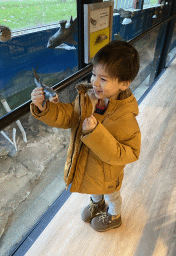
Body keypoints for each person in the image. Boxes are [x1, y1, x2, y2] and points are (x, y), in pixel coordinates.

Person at [30, 40, 141, 232]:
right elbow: (70, 117)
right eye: (94, 74)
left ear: (124, 83)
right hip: (87, 165)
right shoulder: (88, 97)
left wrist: (95, 133)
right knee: (93, 188)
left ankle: (114, 215)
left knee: (111, 194)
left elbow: (130, 153)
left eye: (103, 79)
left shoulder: (125, 118)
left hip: (108, 173)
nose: (94, 82)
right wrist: (45, 107)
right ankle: (97, 204)